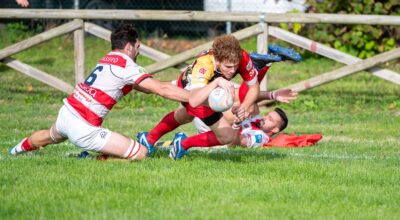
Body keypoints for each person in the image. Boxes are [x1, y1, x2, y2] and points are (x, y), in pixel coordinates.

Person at [9, 24, 190, 161]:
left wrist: (176, 83)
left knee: (50, 135)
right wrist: (194, 97)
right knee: (140, 153)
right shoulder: (127, 65)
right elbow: (161, 90)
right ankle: (90, 158)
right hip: (84, 127)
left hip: (67, 113)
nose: (138, 50)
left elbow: (145, 87)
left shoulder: (107, 59)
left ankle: (16, 150)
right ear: (129, 47)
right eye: (138, 46)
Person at [137, 35, 264, 161]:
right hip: (191, 89)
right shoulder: (205, 64)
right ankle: (183, 144)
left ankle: (149, 139)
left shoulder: (241, 57)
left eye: (236, 66)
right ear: (217, 60)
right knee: (227, 136)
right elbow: (194, 100)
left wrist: (244, 106)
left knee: (184, 115)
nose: (233, 70)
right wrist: (217, 82)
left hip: (205, 88)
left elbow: (254, 87)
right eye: (228, 67)